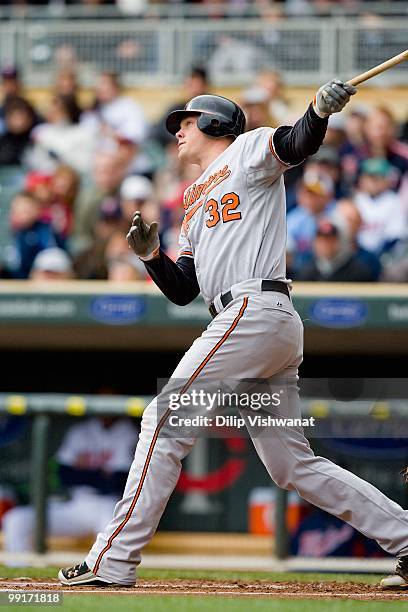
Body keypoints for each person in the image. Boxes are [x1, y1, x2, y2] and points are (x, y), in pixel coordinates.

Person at [58, 82, 408, 590]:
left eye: (187, 120)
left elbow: (296, 144)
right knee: (293, 466)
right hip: (252, 320)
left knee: (164, 418)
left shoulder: (246, 151)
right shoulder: (194, 198)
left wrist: (317, 111)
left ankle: (111, 560)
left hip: (255, 308)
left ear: (216, 124)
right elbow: (183, 291)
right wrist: (151, 258)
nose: (177, 130)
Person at [2, 417, 138, 554]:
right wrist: (100, 474)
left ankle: (107, 575)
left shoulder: (128, 431)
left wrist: (82, 470)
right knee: (15, 519)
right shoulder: (81, 430)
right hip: (77, 503)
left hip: (109, 505)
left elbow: (118, 481)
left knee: (114, 536)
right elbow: (64, 474)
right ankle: (22, 571)